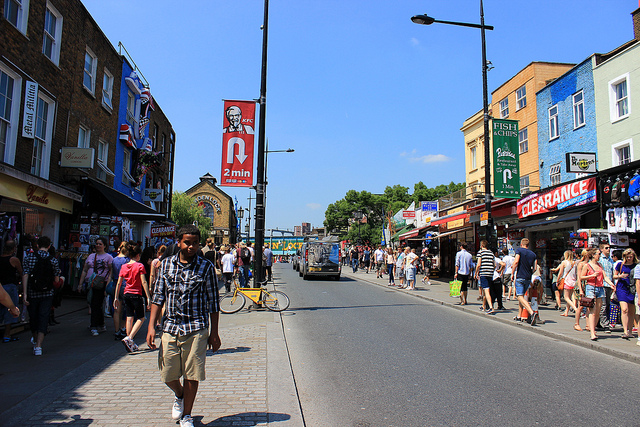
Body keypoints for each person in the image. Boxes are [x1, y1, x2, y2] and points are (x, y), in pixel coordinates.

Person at [146, 225, 221, 427]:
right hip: (170, 327)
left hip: (196, 328)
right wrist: (151, 326)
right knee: (167, 373)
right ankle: (179, 394)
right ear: (179, 242)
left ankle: (187, 415)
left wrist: (214, 333)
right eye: (187, 242)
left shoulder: (205, 268)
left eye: (195, 243)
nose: (191, 246)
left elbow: (213, 303)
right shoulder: (166, 265)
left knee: (192, 374)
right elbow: (158, 297)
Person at [22, 236, 60, 356]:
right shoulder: (53, 260)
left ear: (37, 245)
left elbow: (25, 275)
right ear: (49, 246)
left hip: (32, 292)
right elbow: (56, 279)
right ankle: (39, 346)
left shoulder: (29, 258)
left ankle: (35, 339)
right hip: (47, 293)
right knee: (43, 317)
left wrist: (25, 294)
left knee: (33, 317)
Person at [115, 245, 150, 352]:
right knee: (141, 317)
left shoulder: (124, 266)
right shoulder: (140, 266)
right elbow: (143, 281)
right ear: (138, 255)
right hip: (136, 294)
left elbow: (119, 282)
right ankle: (129, 338)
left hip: (126, 293)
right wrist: (148, 296)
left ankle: (130, 341)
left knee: (129, 317)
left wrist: (116, 296)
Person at [78, 237, 113, 336]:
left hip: (100, 284)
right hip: (90, 284)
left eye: (100, 244)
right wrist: (80, 284)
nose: (98, 245)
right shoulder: (90, 256)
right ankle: (100, 324)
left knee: (95, 304)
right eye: (97, 244)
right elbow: (84, 270)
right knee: (94, 304)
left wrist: (107, 285)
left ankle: (94, 326)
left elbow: (111, 272)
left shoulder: (108, 257)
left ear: (105, 246)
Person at [581, 247, 612, 341]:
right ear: (593, 255)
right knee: (593, 311)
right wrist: (591, 276)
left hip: (600, 288)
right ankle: (592, 332)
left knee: (598, 311)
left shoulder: (600, 265)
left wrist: (611, 284)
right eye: (598, 254)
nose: (599, 255)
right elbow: (582, 277)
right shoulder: (587, 265)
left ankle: (593, 328)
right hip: (591, 288)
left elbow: (605, 276)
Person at [511, 238, 538, 325]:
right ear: (528, 245)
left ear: (521, 244)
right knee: (522, 296)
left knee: (519, 296)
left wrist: (512, 273)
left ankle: (532, 312)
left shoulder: (519, 251)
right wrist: (530, 273)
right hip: (528, 277)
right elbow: (535, 268)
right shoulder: (533, 254)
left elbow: (516, 262)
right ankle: (519, 315)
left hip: (520, 276)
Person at [0, 240, 22, 342]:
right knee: (10, 310)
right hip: (10, 286)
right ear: (13, 249)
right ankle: (7, 334)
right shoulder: (13, 260)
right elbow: (21, 272)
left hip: (1, 285)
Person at [614, 248, 637, 340]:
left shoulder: (636, 266)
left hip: (632, 288)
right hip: (622, 288)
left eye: (631, 257)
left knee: (632, 311)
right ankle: (625, 331)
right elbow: (614, 276)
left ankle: (630, 331)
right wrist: (620, 276)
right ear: (624, 257)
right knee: (624, 309)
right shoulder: (620, 264)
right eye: (627, 257)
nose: (629, 258)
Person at [112, 241, 131, 339]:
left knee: (117, 309)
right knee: (126, 308)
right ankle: (123, 328)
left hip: (116, 285)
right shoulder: (127, 260)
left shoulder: (114, 260)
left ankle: (116, 331)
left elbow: (112, 273)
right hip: (125, 285)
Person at [475, 240, 497, 314]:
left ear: (481, 246)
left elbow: (478, 264)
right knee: (486, 289)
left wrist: (476, 273)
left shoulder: (480, 253)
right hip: (490, 273)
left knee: (486, 291)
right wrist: (491, 270)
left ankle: (491, 307)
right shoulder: (491, 253)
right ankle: (483, 306)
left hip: (483, 273)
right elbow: (495, 265)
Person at [597, 243, 615, 333]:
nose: (608, 249)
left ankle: (598, 323)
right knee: (603, 306)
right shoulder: (599, 260)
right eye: (606, 248)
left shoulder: (611, 260)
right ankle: (605, 325)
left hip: (609, 285)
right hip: (601, 285)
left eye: (609, 248)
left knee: (607, 305)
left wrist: (613, 284)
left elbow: (612, 273)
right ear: (602, 250)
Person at [557, 251, 578, 318]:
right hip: (573, 281)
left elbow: (560, 273)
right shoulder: (575, 263)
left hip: (567, 281)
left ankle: (575, 309)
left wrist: (558, 280)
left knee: (566, 297)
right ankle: (566, 311)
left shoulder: (564, 262)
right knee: (571, 296)